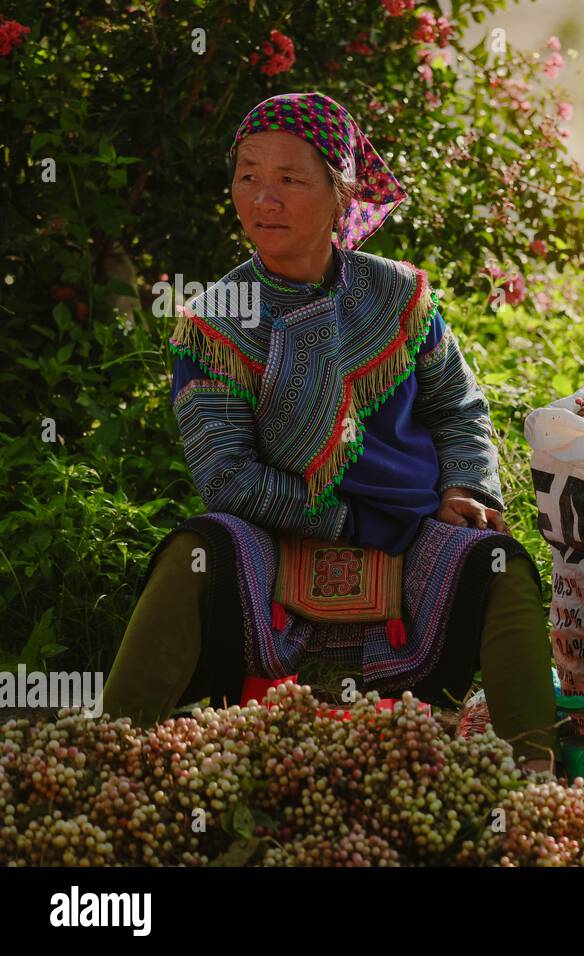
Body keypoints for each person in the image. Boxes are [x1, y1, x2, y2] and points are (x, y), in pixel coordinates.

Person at [101, 92, 558, 771]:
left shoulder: (400, 296)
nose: (264, 198)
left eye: (290, 179)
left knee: (501, 566)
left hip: (414, 535)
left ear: (343, 193)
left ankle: (536, 784)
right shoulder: (213, 324)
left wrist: (466, 485)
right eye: (249, 175)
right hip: (275, 541)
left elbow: (458, 409)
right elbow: (227, 477)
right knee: (192, 552)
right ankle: (105, 755)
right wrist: (348, 522)